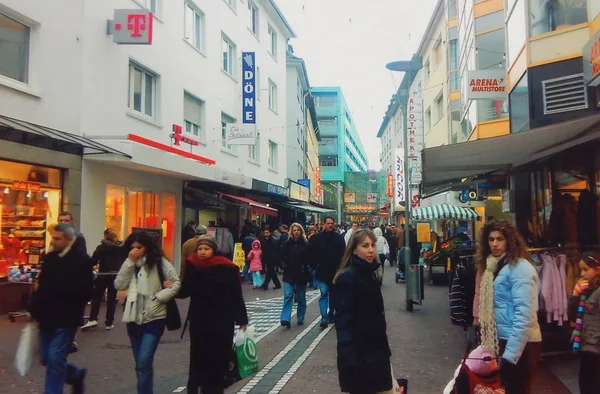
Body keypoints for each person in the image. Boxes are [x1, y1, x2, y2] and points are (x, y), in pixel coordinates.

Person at [473, 220, 541, 394]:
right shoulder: (492, 267)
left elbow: (524, 315)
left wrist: (511, 356)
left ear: (510, 241)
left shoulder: (520, 268)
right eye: (491, 239)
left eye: (500, 239)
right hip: (501, 339)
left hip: (521, 343)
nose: (495, 244)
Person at [177, 235, 248, 394]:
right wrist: (171, 288)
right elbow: (185, 289)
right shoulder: (193, 265)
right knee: (198, 355)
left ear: (214, 250)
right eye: (200, 249)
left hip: (222, 318)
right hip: (199, 318)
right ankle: (197, 386)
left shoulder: (227, 268)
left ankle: (215, 388)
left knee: (219, 355)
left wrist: (242, 318)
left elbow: (236, 294)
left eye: (206, 249)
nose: (202, 252)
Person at [28, 224, 94, 394]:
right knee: (45, 358)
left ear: (69, 239)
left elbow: (87, 291)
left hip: (67, 318)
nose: (53, 241)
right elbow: (42, 285)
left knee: (55, 359)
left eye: (57, 238)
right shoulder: (50, 258)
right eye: (53, 237)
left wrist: (70, 299)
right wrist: (34, 309)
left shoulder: (83, 261)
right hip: (46, 316)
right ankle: (75, 374)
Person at [114, 232, 181, 394]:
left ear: (148, 247)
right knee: (140, 364)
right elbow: (119, 284)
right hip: (133, 317)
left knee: (144, 360)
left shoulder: (160, 263)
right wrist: (129, 261)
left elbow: (176, 282)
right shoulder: (130, 264)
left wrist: (160, 297)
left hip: (155, 317)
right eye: (132, 248)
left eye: (139, 247)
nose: (135, 251)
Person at [332, 229, 393, 394]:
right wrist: (349, 359)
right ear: (354, 249)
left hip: (376, 351)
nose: (371, 250)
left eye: (372, 245)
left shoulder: (369, 273)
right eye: (365, 246)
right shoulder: (348, 278)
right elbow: (344, 322)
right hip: (360, 356)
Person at [568, 252, 600, 394]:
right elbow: (573, 317)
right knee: (586, 381)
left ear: (598, 269)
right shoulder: (585, 289)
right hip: (585, 342)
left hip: (596, 344)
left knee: (592, 382)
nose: (582, 273)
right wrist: (574, 296)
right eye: (581, 269)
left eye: (586, 269)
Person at [82, 229, 123, 331]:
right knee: (111, 298)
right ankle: (109, 323)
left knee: (97, 297)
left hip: (103, 275)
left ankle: (93, 319)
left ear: (105, 236)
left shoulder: (101, 248)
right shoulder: (120, 248)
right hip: (115, 275)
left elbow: (93, 261)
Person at [310, 216, 346, 328]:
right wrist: (315, 265)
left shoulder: (339, 238)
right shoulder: (318, 237)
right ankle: (324, 317)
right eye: (328, 223)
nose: (330, 225)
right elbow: (312, 252)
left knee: (334, 295)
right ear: (324, 224)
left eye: (332, 223)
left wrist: (341, 267)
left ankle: (331, 314)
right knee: (324, 294)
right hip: (322, 271)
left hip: (335, 271)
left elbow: (343, 253)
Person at [280, 223, 310, 328]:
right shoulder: (287, 244)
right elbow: (281, 257)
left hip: (301, 274)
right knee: (288, 295)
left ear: (301, 231)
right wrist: (284, 266)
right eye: (294, 230)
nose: (296, 232)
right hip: (289, 273)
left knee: (301, 297)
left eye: (298, 230)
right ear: (291, 232)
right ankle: (285, 318)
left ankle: (300, 317)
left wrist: (305, 266)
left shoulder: (305, 244)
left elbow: (309, 258)